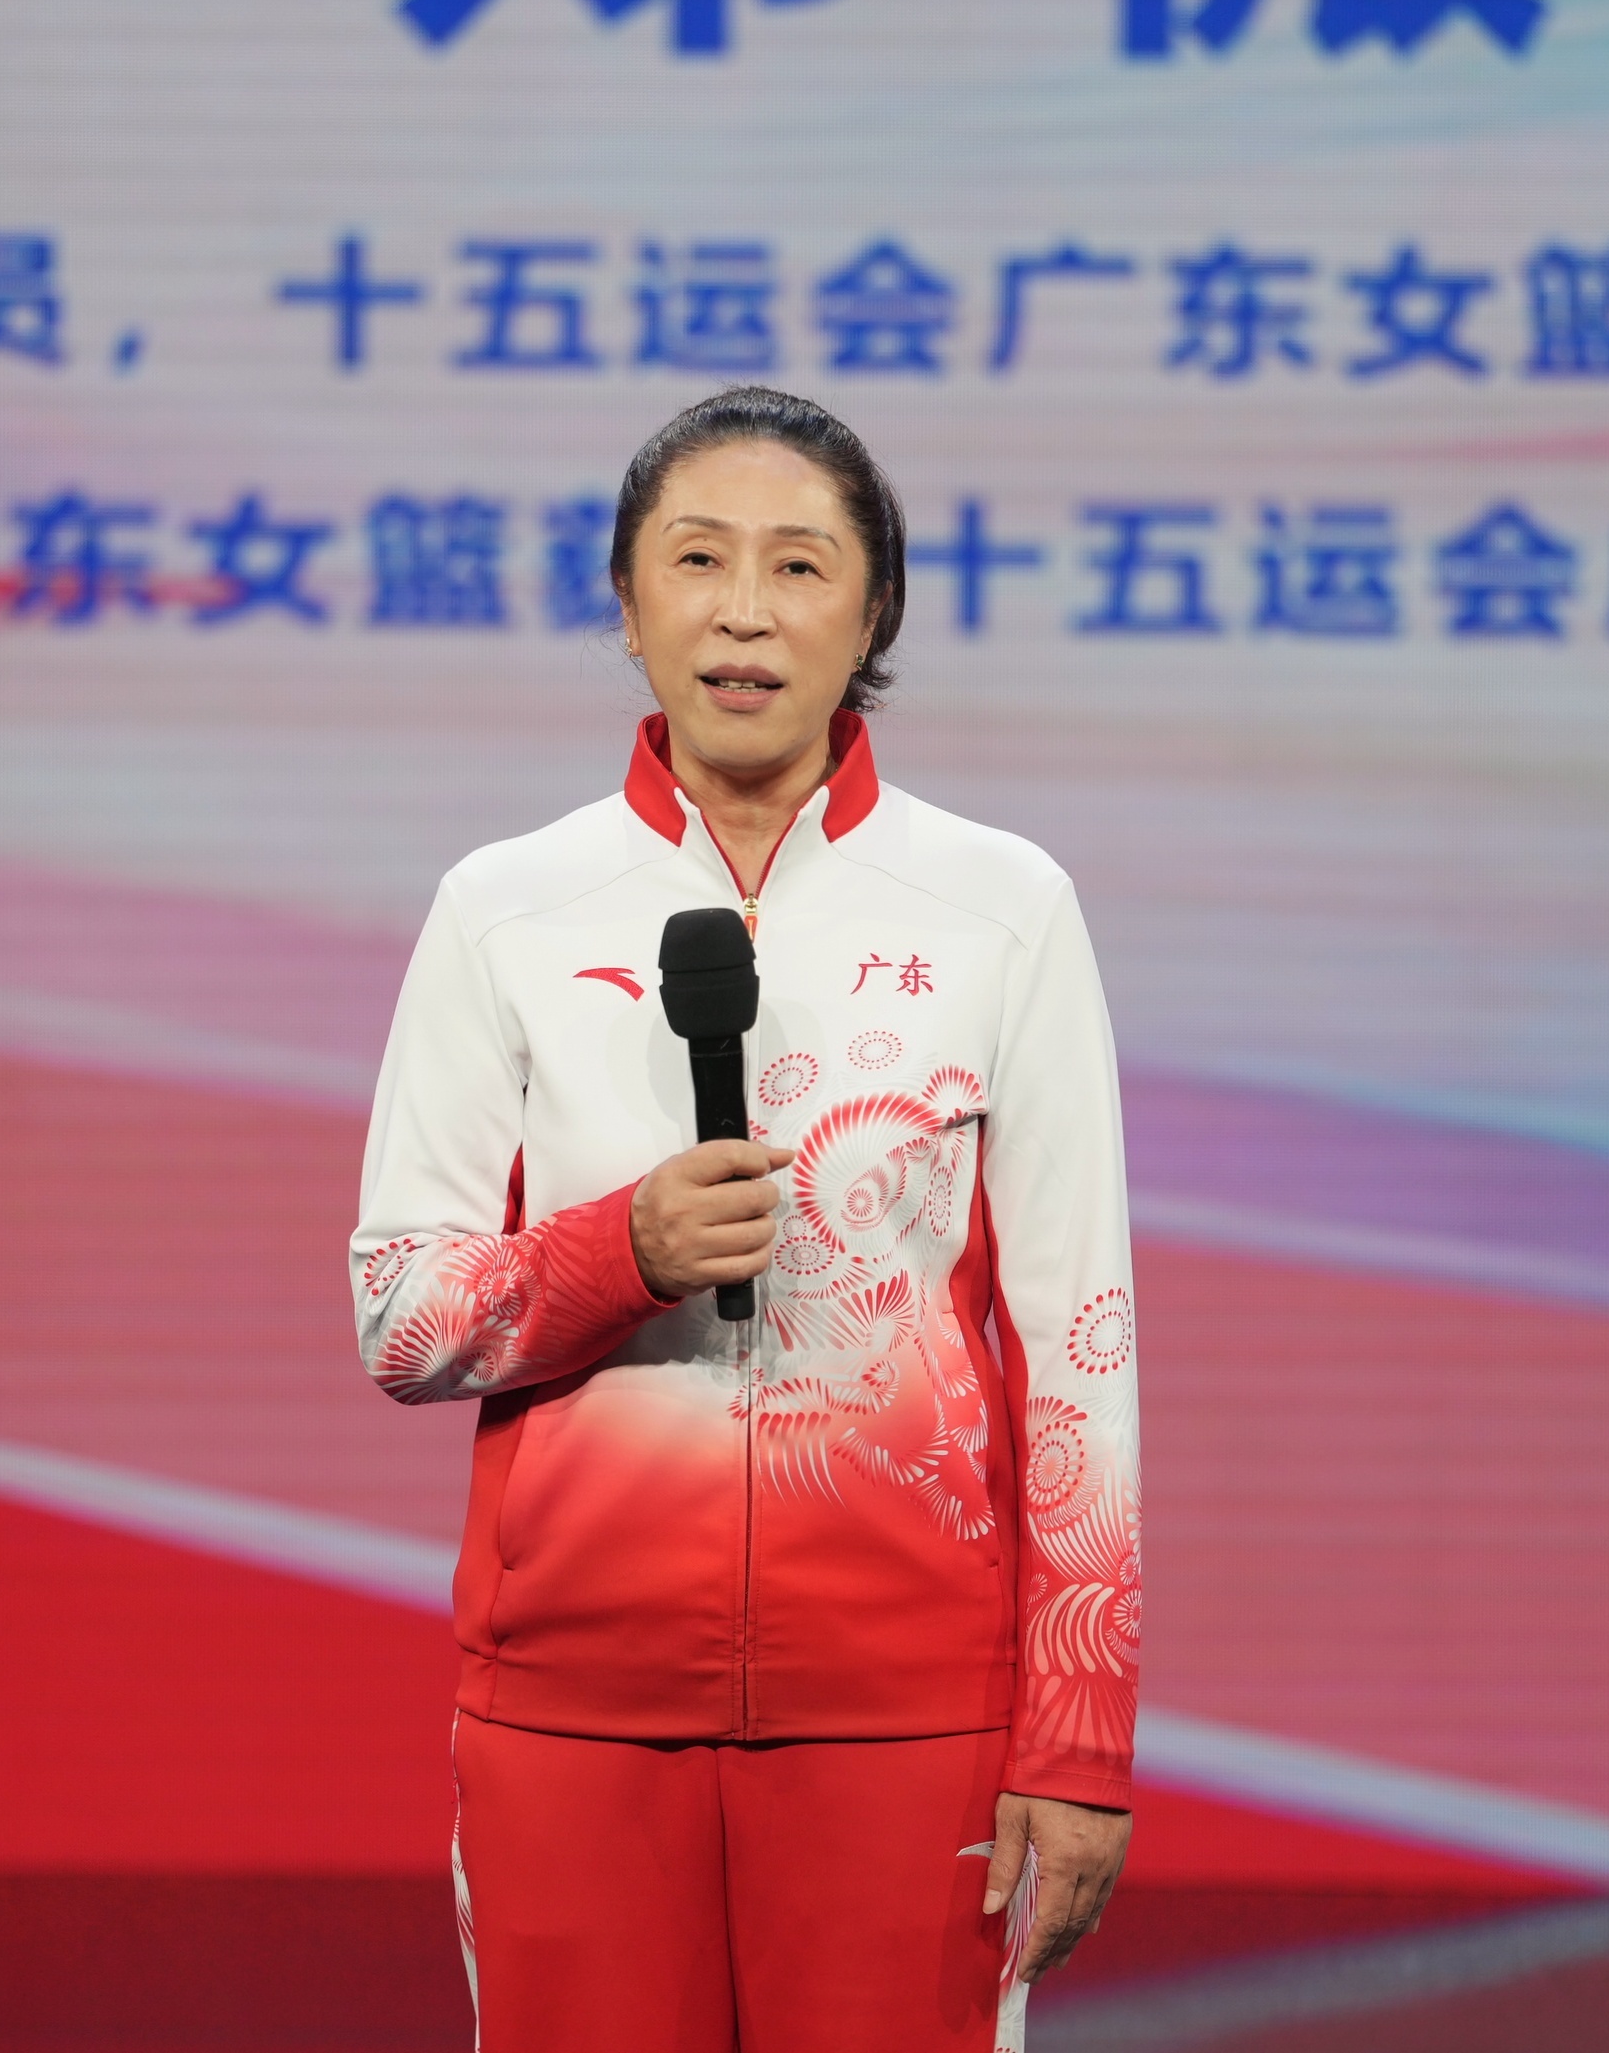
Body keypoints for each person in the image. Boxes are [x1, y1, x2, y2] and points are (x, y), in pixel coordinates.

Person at [351, 385, 1140, 2052]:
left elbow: (1080, 1341)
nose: (744, 610)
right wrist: (617, 1250)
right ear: (629, 603)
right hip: (574, 1714)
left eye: (800, 564)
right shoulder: (504, 909)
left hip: (909, 1722)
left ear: (875, 612)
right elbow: (401, 1316)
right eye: (698, 559)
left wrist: (1077, 1736)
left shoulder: (1003, 910)